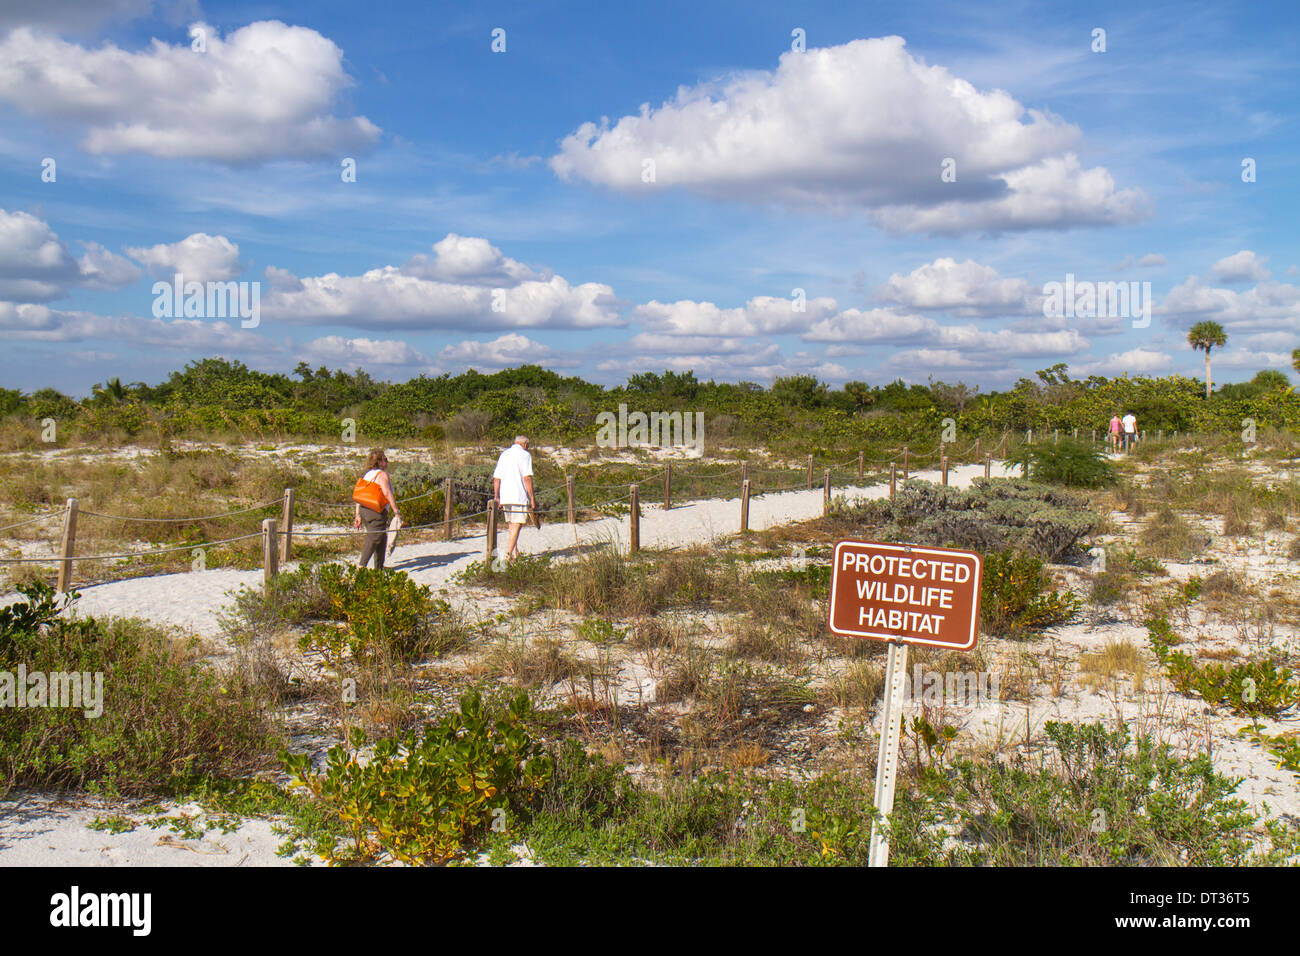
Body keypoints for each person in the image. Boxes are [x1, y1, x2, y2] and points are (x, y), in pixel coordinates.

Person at [353, 448, 401, 569]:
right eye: (385, 459)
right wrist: (396, 511)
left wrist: (358, 515)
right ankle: (361, 566)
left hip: (365, 510)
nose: (387, 462)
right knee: (374, 538)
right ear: (379, 462)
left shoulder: (368, 474)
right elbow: (387, 492)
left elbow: (359, 495)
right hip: (375, 511)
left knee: (381, 537)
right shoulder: (382, 475)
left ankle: (379, 567)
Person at [492, 435, 535, 563]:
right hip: (518, 495)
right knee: (516, 524)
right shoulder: (525, 455)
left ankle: (515, 554)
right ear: (525, 444)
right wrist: (532, 497)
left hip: (505, 495)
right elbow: (527, 478)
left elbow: (497, 478)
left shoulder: (504, 454)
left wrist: (496, 496)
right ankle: (508, 555)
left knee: (511, 525)